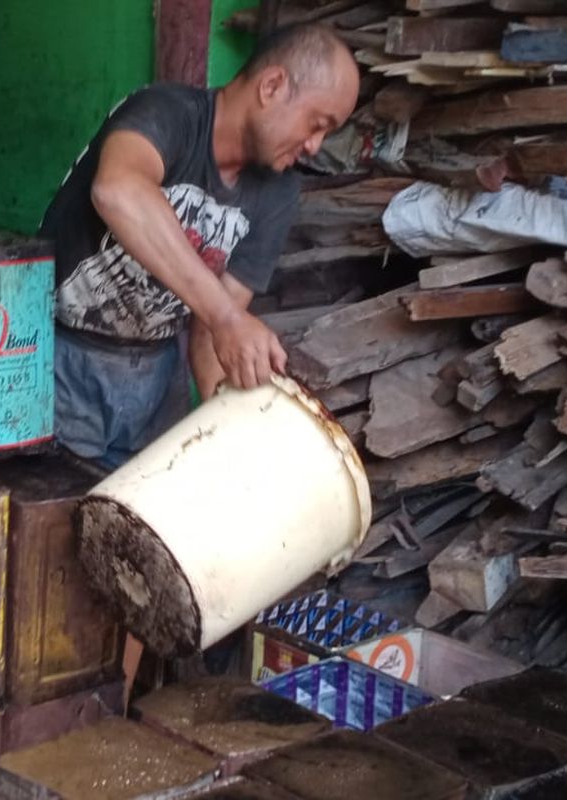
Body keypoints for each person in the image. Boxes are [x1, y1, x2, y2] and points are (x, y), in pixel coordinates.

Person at [40, 23, 360, 469]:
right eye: (317, 124)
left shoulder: (277, 193)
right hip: (61, 363)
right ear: (272, 86)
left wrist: (217, 419)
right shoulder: (167, 113)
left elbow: (214, 331)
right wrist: (227, 317)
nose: (314, 145)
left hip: (158, 382)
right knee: (49, 524)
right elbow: (117, 190)